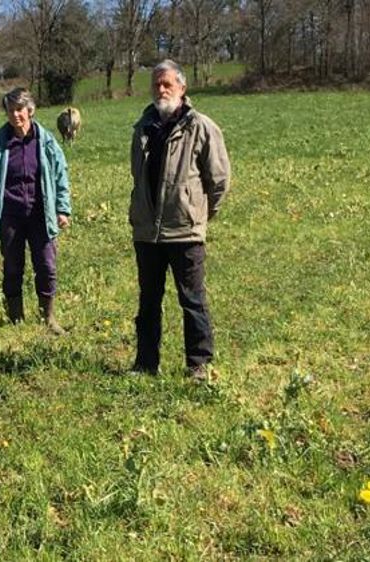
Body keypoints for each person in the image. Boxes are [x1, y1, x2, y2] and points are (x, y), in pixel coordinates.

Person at [128, 59, 230, 381]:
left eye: (167, 84)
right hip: (148, 233)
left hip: (185, 232)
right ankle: (145, 364)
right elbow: (137, 176)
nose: (161, 89)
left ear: (182, 88)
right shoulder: (142, 127)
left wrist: (197, 214)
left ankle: (199, 365)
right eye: (156, 84)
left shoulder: (201, 127)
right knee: (148, 302)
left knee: (192, 300)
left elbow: (219, 180)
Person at [0, 87, 72, 333]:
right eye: (10, 110)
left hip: (41, 213)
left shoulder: (46, 142)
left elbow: (60, 174)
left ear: (30, 110)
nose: (15, 115)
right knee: (12, 266)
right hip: (10, 214)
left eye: (19, 109)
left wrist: (62, 209)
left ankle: (48, 317)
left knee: (46, 266)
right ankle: (15, 318)